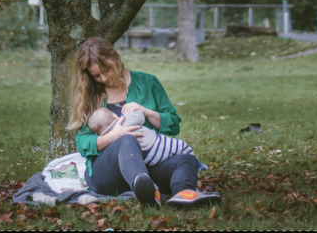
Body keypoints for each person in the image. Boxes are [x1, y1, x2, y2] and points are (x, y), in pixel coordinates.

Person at [67, 37, 221, 207]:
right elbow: (82, 142)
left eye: (106, 70)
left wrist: (146, 112)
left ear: (115, 57)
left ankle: (182, 193)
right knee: (126, 139)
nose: (103, 78)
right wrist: (114, 136)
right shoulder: (90, 95)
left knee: (186, 159)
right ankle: (144, 188)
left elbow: (173, 124)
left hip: (150, 168)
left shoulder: (148, 82)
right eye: (96, 75)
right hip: (108, 174)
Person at [88, 107, 200, 166]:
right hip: (156, 145)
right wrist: (132, 112)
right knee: (182, 147)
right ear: (114, 116)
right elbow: (140, 117)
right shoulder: (124, 120)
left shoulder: (107, 139)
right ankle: (196, 164)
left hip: (146, 160)